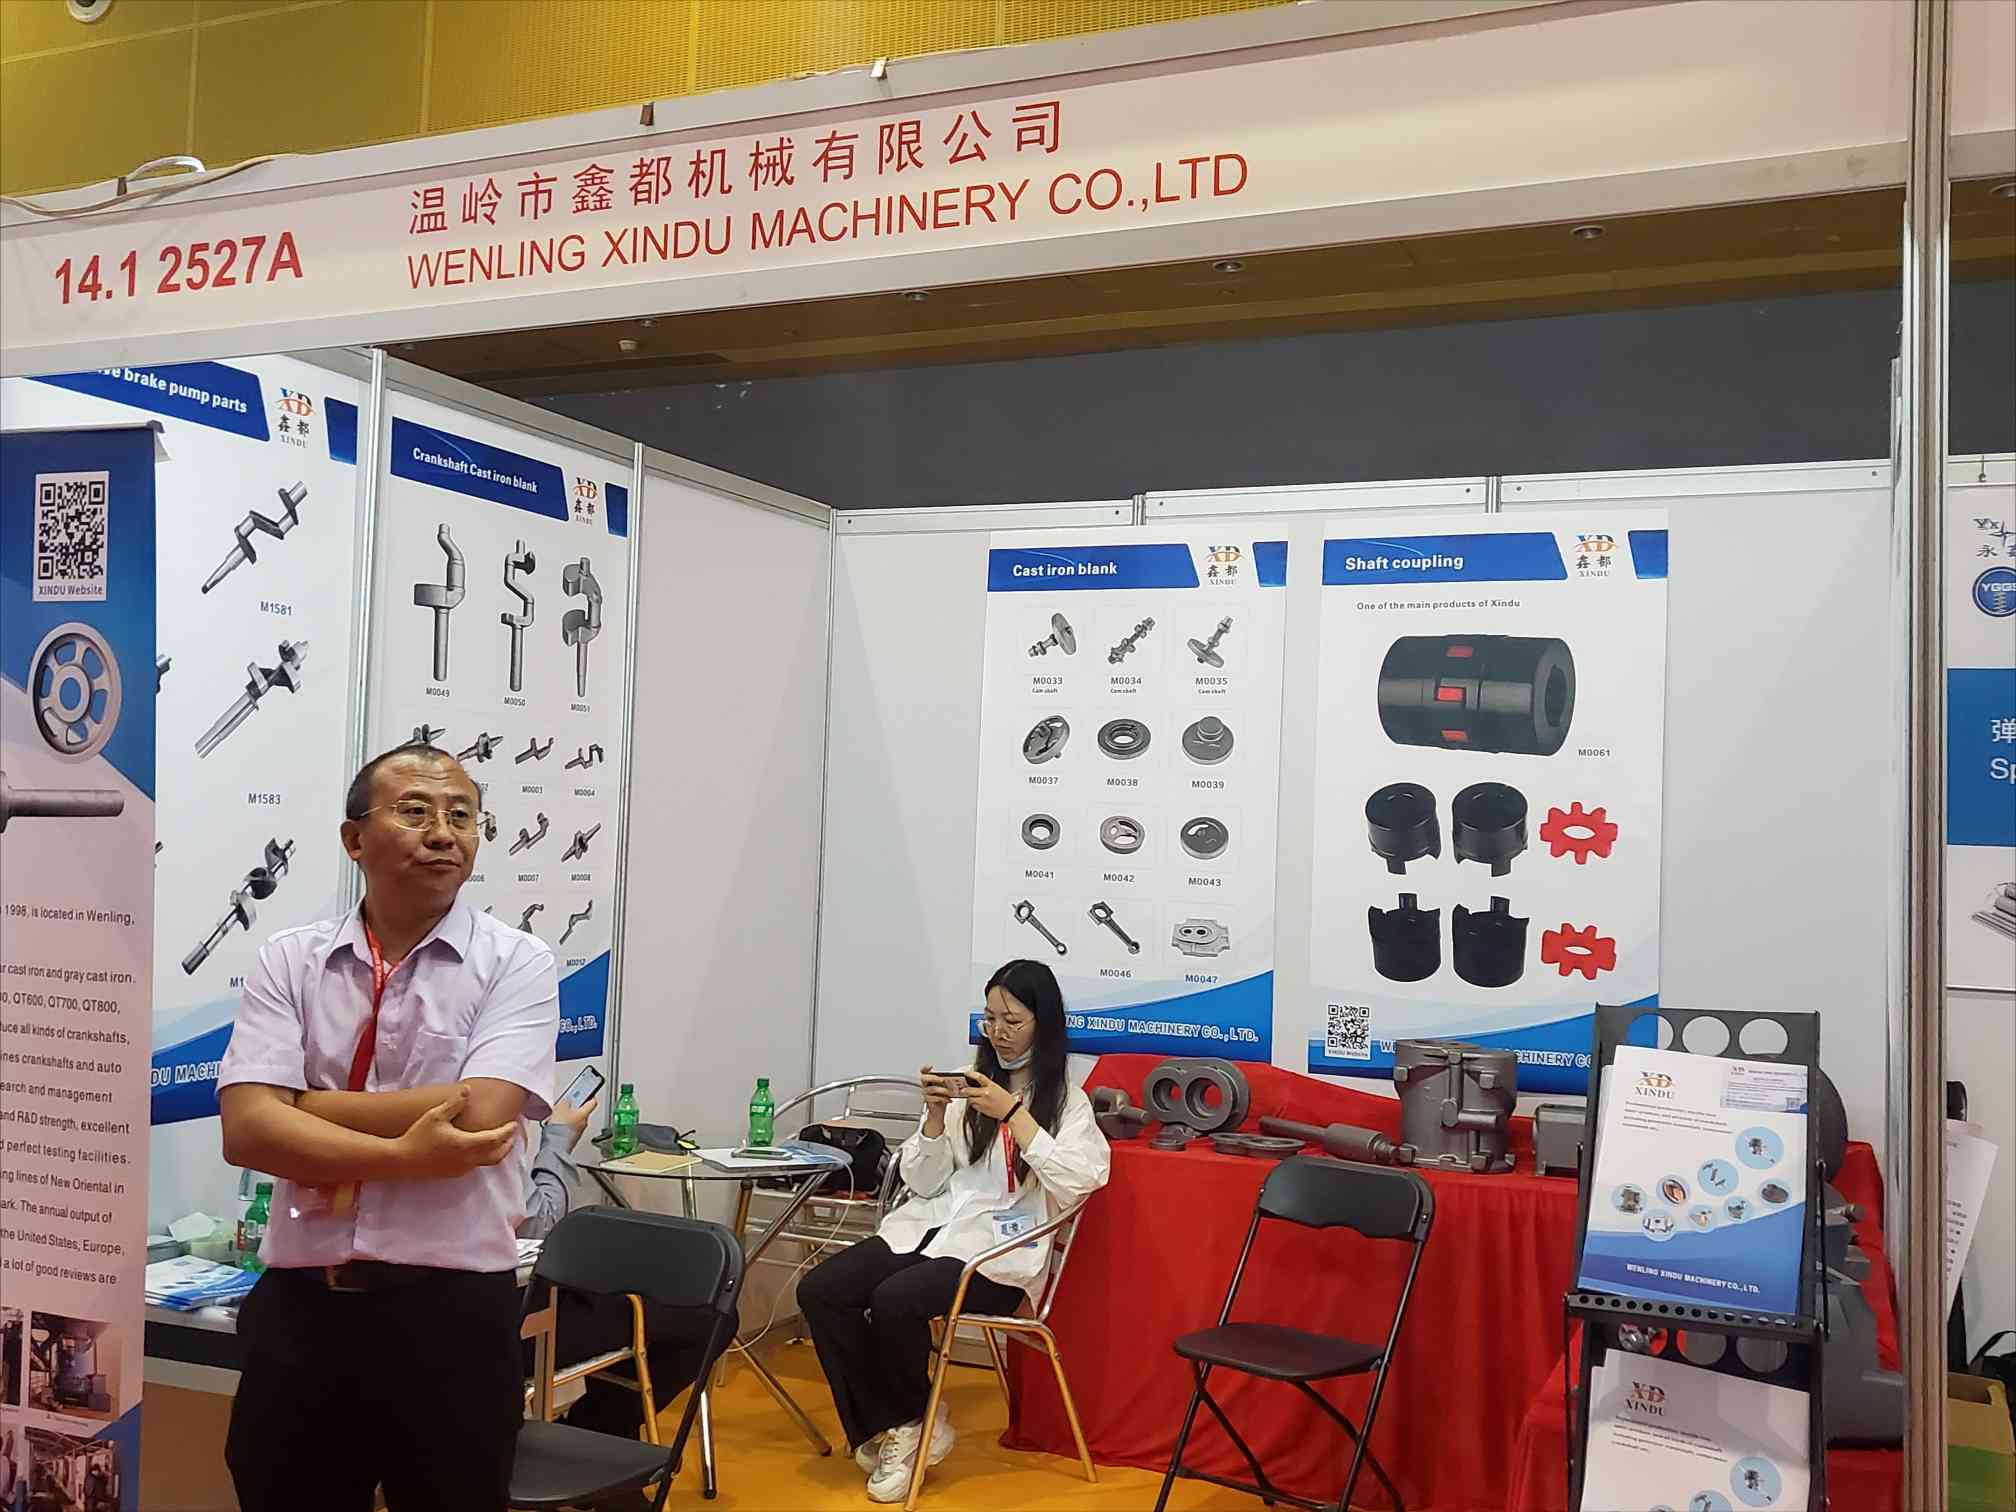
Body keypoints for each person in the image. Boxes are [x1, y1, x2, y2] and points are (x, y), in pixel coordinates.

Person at [215, 743, 559, 1512]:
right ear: (354, 839)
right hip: (303, 1311)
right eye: (414, 811)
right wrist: (411, 1153)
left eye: (461, 816)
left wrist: (302, 1106)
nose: (443, 832)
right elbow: (246, 1132)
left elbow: (481, 1118)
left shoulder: (518, 962)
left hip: (452, 1321)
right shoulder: (290, 960)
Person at [796, 959, 1110, 1503]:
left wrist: (1015, 1115)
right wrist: (936, 1119)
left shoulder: (1067, 1101)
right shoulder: (970, 1086)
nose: (999, 1033)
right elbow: (922, 1181)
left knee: (895, 1300)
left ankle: (905, 1427)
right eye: (990, 1019)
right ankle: (903, 1423)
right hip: (928, 1230)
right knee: (821, 1290)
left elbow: (1081, 1180)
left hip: (999, 1255)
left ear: (1044, 1023)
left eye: (1012, 1020)